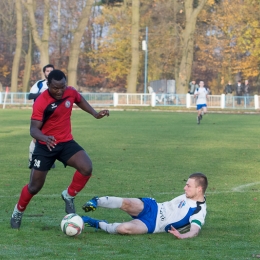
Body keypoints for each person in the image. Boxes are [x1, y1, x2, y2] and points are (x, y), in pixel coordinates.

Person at [10, 70, 110, 229]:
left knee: (86, 167)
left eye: (62, 87)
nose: (60, 91)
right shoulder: (41, 101)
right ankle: (18, 211)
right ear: (48, 85)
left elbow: (79, 99)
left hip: (65, 143)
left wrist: (95, 114)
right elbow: (33, 130)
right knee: (34, 187)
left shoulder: (69, 92)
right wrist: (44, 138)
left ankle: (68, 196)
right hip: (45, 146)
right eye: (55, 88)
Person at [81, 173, 208, 239]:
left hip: (153, 224)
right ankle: (96, 201)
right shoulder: (190, 195)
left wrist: (182, 236)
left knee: (124, 228)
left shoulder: (198, 211)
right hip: (154, 207)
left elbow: (194, 231)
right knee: (127, 203)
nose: (184, 188)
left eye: (188, 186)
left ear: (199, 189)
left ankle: (98, 224)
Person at [28, 64, 55, 169]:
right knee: (36, 137)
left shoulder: (56, 84)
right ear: (44, 72)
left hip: (52, 115)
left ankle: (50, 161)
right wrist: (43, 94)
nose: (49, 72)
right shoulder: (39, 84)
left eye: (51, 71)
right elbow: (30, 96)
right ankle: (31, 159)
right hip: (39, 114)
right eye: (47, 71)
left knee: (51, 136)